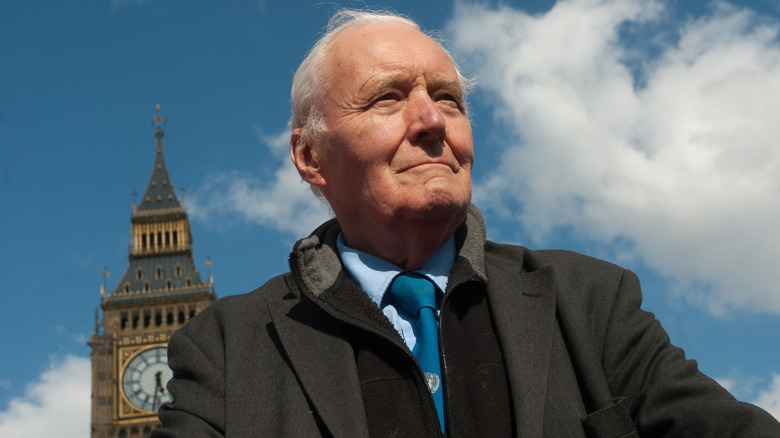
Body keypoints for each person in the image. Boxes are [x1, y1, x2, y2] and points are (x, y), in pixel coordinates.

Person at [153, 9, 780, 437]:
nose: (432, 121)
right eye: (388, 98)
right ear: (310, 157)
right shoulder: (226, 350)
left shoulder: (592, 302)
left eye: (448, 98)